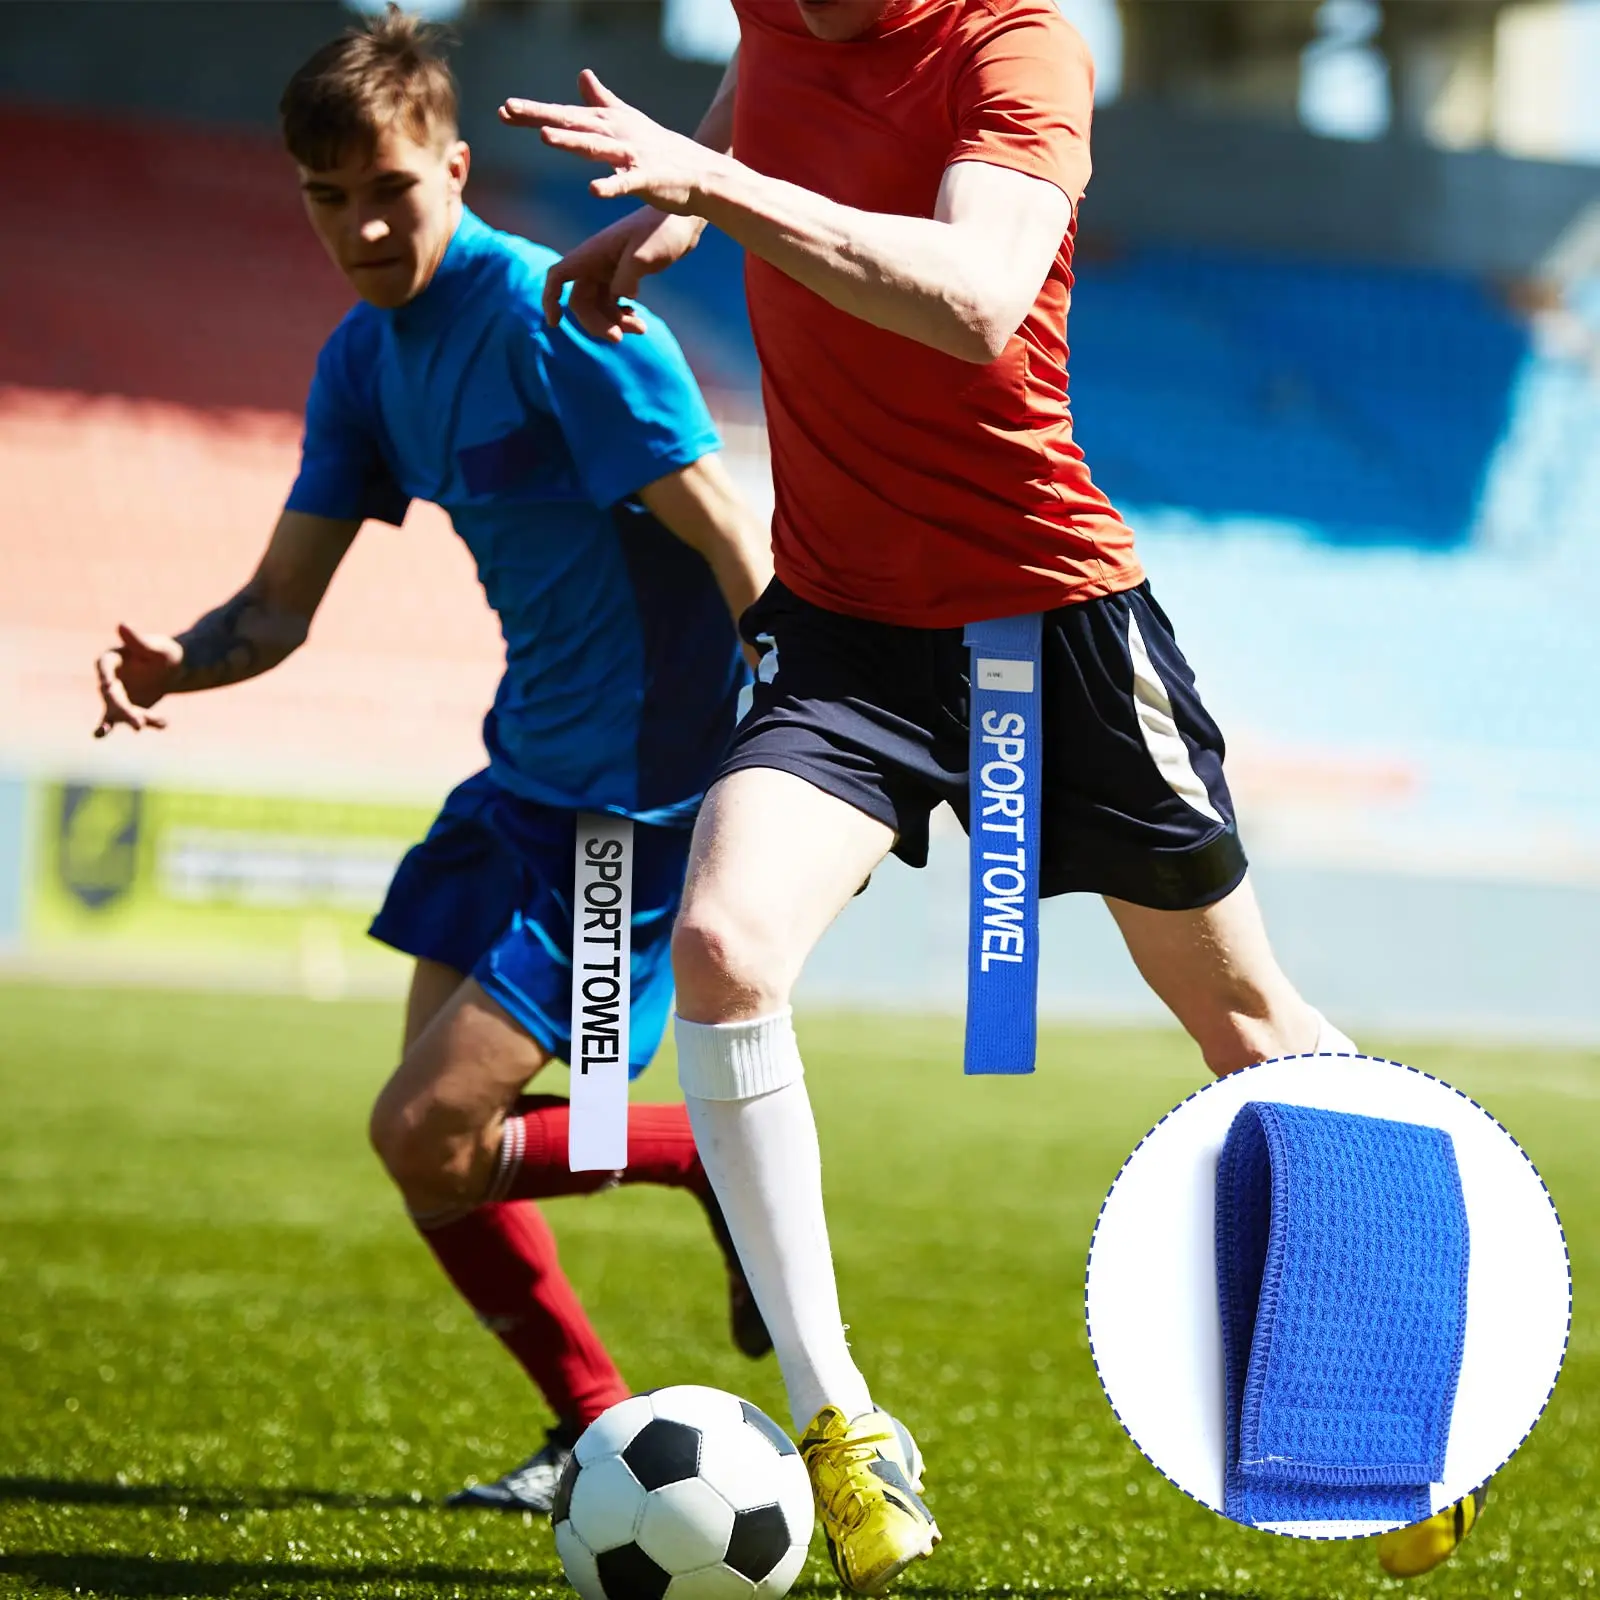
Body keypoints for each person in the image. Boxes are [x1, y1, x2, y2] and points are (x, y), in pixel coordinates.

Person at [502, 0, 1483, 1588]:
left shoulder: (1016, 49)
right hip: (843, 635)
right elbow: (758, 82)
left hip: (1050, 620)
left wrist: (716, 180)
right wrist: (688, 201)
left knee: (1246, 1021)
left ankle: (1398, 1413)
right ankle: (842, 1429)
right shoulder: (776, 17)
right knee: (722, 949)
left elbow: (972, 300)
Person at [92, 7, 775, 1514]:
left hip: (633, 812)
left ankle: (713, 1163)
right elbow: (276, 609)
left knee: (429, 1129)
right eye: (327, 199)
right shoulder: (362, 364)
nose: (361, 226)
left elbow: (736, 545)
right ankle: (587, 1424)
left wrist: (785, 763)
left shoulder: (565, 324)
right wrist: (177, 666)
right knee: (436, 1151)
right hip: (516, 789)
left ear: (456, 168)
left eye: (389, 188)